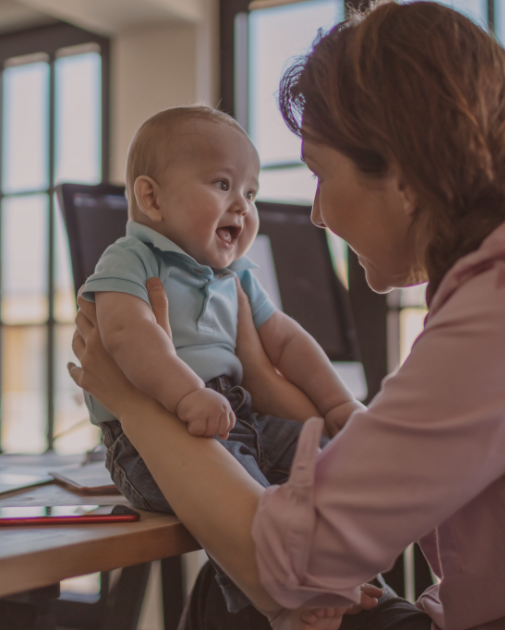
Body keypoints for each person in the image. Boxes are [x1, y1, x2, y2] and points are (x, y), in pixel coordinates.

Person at [69, 2, 505, 629]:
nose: (315, 212)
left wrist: (134, 402)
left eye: (321, 174)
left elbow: (278, 565)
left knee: (226, 606)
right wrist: (262, 378)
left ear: (406, 174)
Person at [78, 105, 363, 613]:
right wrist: (188, 393)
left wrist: (338, 405)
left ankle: (354, 577)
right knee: (243, 499)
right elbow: (126, 333)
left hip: (236, 414)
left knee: (328, 464)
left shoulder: (239, 275)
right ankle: (275, 600)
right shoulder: (131, 258)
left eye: (250, 193)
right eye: (222, 184)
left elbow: (287, 341)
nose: (243, 207)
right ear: (151, 198)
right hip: (149, 442)